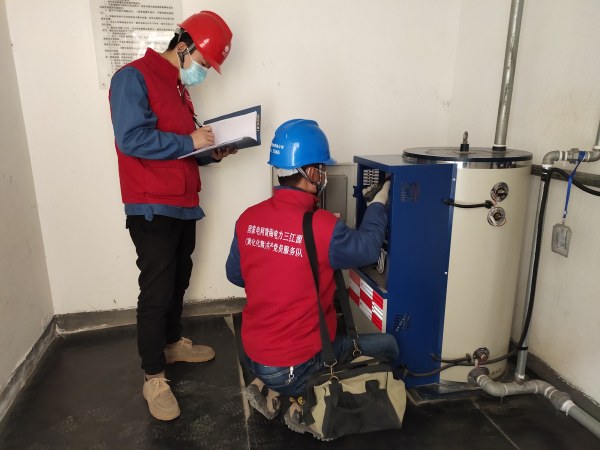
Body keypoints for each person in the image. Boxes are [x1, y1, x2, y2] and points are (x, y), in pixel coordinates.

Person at [225, 119, 399, 436]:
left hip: (252, 355)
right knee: (388, 346)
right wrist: (377, 206)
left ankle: (270, 386)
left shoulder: (248, 218)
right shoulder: (322, 226)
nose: (323, 174)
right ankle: (307, 400)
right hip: (295, 365)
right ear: (311, 173)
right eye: (321, 168)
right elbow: (368, 249)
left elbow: (235, 275)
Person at [109, 11, 234, 421]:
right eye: (203, 63)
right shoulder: (133, 77)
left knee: (179, 279)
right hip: (152, 206)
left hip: (183, 203)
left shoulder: (179, 88)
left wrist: (210, 153)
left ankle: (172, 343)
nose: (203, 72)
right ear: (183, 47)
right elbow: (131, 138)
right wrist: (188, 141)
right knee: (157, 291)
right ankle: (153, 376)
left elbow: (181, 148)